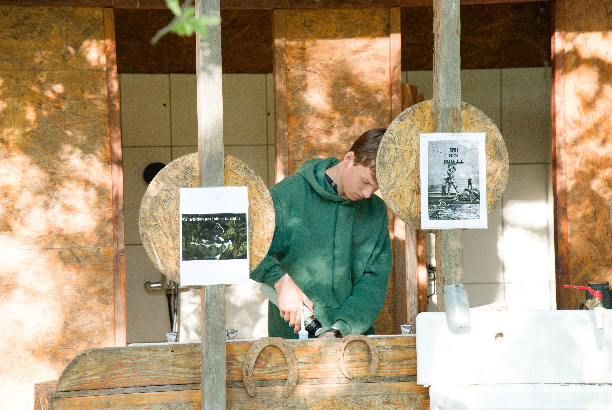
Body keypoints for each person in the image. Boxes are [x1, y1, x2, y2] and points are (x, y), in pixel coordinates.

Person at [251, 128, 392, 339]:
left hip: (352, 342)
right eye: (365, 182)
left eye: (376, 188)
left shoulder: (376, 211)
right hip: (292, 344)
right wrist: (281, 281)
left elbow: (374, 280)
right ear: (349, 158)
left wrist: (341, 328)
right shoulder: (286, 196)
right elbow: (245, 246)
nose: (367, 194)